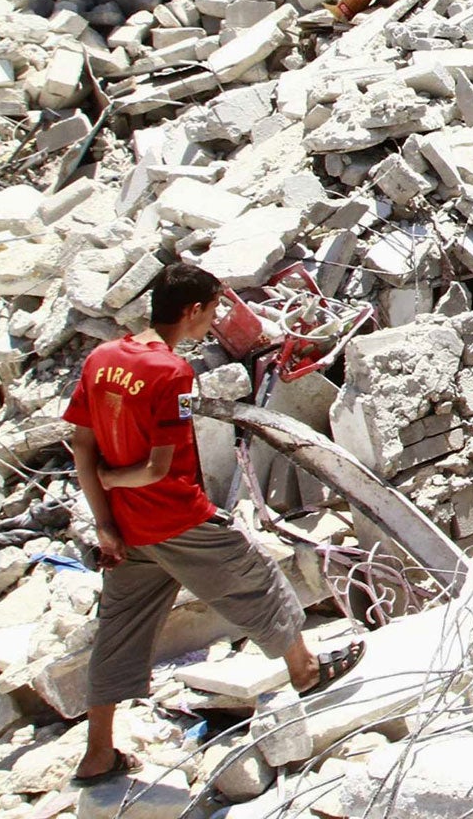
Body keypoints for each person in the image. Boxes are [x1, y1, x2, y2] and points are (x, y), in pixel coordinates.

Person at [65, 264, 361, 787]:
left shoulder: (102, 358)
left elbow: (81, 445)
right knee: (256, 579)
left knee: (120, 631)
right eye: (213, 309)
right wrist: (117, 478)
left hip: (129, 531)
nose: (216, 320)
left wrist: (105, 522)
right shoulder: (171, 373)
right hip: (175, 518)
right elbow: (156, 467)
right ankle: (306, 671)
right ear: (191, 311)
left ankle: (96, 754)